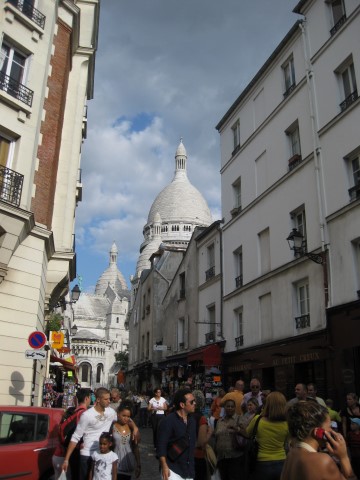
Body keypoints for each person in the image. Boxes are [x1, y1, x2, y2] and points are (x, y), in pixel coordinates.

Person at [62, 387, 138, 480]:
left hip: (102, 454)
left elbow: (125, 419)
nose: (109, 401)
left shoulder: (111, 412)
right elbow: (75, 437)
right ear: (98, 399)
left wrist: (134, 428)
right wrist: (66, 459)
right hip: (87, 454)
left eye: (109, 399)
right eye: (106, 399)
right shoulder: (87, 415)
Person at [281, 400, 356, 480]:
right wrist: (343, 457)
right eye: (329, 426)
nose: (331, 430)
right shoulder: (322, 460)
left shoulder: (292, 454)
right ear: (317, 432)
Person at [244, 391, 288, 480]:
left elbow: (247, 434)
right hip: (282, 461)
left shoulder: (258, 419)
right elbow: (288, 441)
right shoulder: (287, 424)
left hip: (262, 462)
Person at [157, 388, 197, 480]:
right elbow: (161, 446)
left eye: (194, 401)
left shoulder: (192, 421)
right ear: (182, 405)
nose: (194, 403)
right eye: (192, 402)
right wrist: (164, 466)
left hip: (188, 471)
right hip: (172, 470)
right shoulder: (168, 421)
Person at [52, 388, 91, 479]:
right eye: (90, 397)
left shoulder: (73, 411)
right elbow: (79, 434)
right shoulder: (83, 414)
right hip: (75, 452)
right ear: (86, 398)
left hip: (61, 452)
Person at [214, 399, 246, 480]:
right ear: (224, 407)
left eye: (232, 406)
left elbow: (246, 434)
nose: (230, 408)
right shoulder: (219, 421)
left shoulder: (239, 418)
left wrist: (236, 429)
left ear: (235, 408)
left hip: (235, 457)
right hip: (221, 458)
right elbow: (216, 437)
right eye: (228, 406)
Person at [111, 404, 141, 479]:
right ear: (118, 414)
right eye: (123, 415)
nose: (126, 418)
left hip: (128, 465)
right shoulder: (112, 426)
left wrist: (138, 464)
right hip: (115, 464)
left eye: (128, 416)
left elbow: (135, 447)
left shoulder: (132, 429)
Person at [192, 389, 213, 480]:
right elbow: (201, 442)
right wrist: (210, 433)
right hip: (198, 456)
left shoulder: (186, 415)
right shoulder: (201, 418)